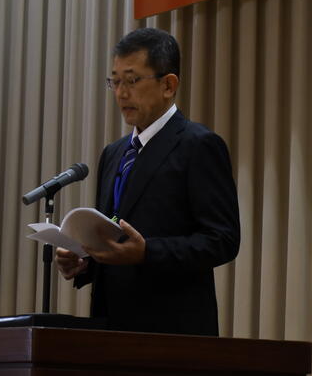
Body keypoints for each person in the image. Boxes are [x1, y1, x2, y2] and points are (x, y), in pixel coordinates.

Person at [55, 27, 240, 336]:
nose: (121, 93)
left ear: (168, 85)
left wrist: (147, 252)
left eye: (132, 81)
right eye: (115, 81)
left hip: (172, 331)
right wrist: (85, 259)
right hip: (109, 328)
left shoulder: (198, 145)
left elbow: (222, 240)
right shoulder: (114, 153)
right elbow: (114, 232)